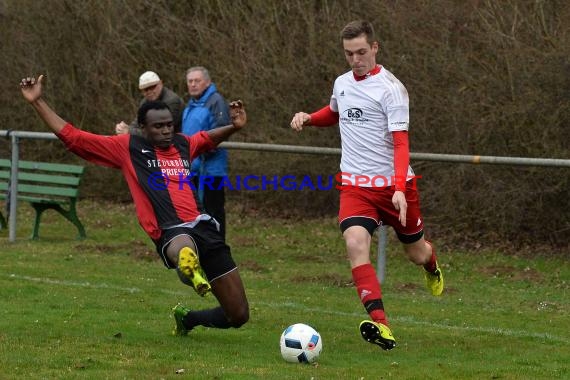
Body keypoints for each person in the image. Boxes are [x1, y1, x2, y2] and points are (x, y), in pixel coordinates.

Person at [21, 74, 249, 335]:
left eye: (169, 125)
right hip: (171, 231)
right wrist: (37, 102)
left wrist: (234, 127)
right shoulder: (128, 147)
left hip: (205, 227)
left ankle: (188, 318)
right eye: (158, 127)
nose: (165, 131)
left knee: (238, 315)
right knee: (184, 249)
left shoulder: (182, 144)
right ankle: (188, 268)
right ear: (142, 127)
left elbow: (207, 138)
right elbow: (75, 138)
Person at [290, 20, 444, 351]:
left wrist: (399, 187)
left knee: (416, 253)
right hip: (355, 186)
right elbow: (335, 113)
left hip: (394, 187)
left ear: (375, 48)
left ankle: (432, 265)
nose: (355, 59)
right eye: (349, 54)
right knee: (355, 244)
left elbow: (401, 143)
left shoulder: (391, 89)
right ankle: (382, 325)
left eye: (361, 52)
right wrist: (309, 117)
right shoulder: (342, 83)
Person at [181, 66, 230, 239]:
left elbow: (222, 130)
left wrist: (203, 150)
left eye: (197, 81)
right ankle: (201, 246)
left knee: (213, 212)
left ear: (207, 82)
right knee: (194, 212)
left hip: (211, 171)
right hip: (193, 168)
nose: (193, 84)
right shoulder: (191, 104)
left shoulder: (216, 101)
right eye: (190, 81)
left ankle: (218, 252)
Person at [115, 70, 185, 135]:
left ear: (160, 83)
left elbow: (160, 131)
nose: (149, 92)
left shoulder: (172, 101)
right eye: (145, 89)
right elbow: (138, 123)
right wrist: (123, 128)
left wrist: (129, 131)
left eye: (152, 87)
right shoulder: (145, 102)